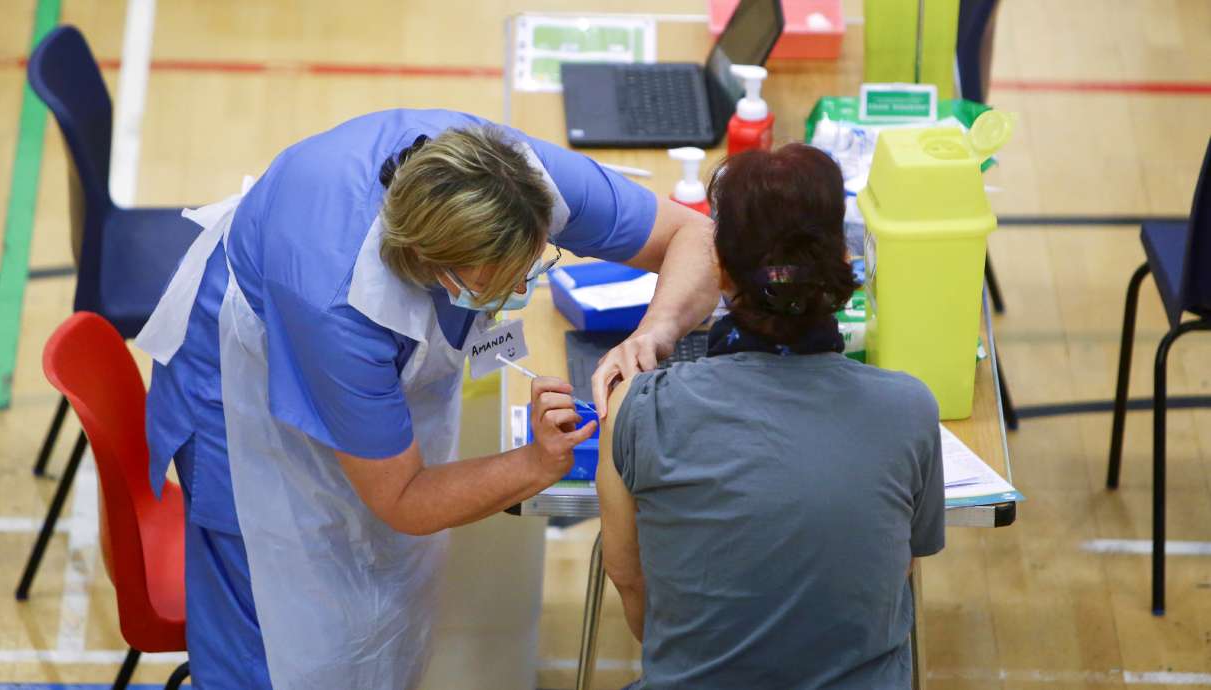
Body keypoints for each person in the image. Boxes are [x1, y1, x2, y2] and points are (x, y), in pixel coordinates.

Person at [134, 109, 717, 689]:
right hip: (238, 386)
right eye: (504, 279)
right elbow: (404, 499)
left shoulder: (514, 177)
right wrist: (534, 464)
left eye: (532, 265)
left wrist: (652, 337)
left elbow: (693, 234)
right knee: (273, 622)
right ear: (437, 270)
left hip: (334, 305)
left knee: (376, 593)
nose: (522, 291)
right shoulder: (336, 308)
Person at [596, 143, 945, 689]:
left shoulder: (639, 408)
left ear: (720, 272)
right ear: (845, 262)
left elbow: (631, 583)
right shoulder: (911, 410)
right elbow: (893, 572)